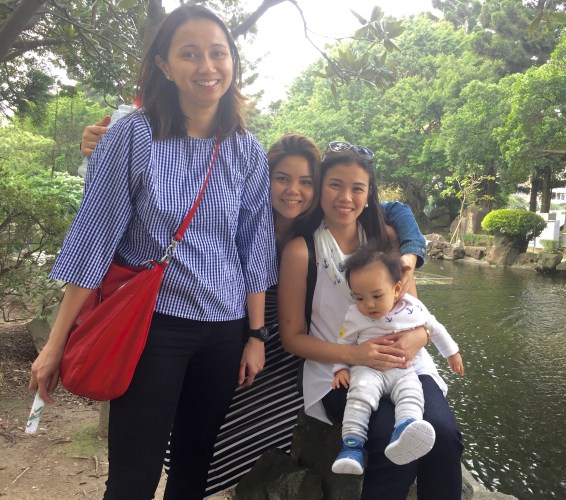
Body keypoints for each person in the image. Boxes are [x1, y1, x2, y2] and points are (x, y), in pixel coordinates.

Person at [76, 121, 428, 494]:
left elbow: (392, 208)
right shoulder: (236, 213)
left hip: (284, 348)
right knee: (172, 432)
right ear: (263, 178)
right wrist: (108, 154)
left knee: (208, 444)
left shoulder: (314, 227)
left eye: (306, 182)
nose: (294, 191)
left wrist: (412, 250)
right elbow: (163, 197)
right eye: (282, 179)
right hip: (228, 333)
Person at [29, 5, 277, 499]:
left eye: (217, 53)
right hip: (152, 326)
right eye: (190, 54)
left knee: (193, 469)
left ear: (233, 61)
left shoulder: (247, 149)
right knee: (133, 476)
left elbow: (254, 249)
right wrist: (56, 342)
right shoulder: (134, 134)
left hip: (224, 331)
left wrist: (255, 335)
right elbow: (94, 238)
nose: (207, 66)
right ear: (164, 65)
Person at [279, 142, 464, 500]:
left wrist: (419, 338)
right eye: (335, 184)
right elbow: (292, 337)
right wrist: (356, 355)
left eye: (357, 188)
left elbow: (415, 313)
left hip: (405, 362)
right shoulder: (302, 250)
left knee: (443, 434)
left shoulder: (385, 242)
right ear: (320, 187)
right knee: (385, 438)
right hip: (339, 370)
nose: (345, 197)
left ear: (368, 195)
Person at [331, 242, 464, 475]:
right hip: (368, 369)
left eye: (377, 295)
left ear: (396, 288)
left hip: (404, 370)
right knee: (359, 396)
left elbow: (435, 328)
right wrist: (340, 368)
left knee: (412, 393)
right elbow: (344, 342)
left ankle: (406, 429)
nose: (368, 304)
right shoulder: (354, 315)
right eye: (359, 298)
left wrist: (451, 353)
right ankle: (352, 445)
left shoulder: (411, 308)